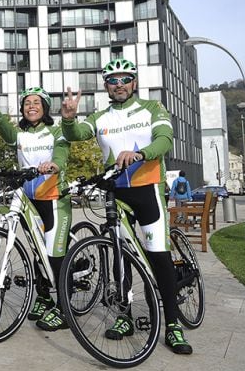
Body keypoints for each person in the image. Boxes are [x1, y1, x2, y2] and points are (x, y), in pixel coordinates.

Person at [60, 58, 193, 354]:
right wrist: (68, 118)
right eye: (112, 80)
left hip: (149, 189)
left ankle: (172, 325)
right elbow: (76, 135)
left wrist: (141, 154)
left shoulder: (152, 109)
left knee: (158, 255)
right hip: (116, 193)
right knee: (121, 258)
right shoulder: (100, 117)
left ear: (133, 83)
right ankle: (125, 316)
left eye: (124, 79)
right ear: (106, 86)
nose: (119, 85)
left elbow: (165, 139)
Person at [0, 85, 72, 331]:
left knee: (54, 256)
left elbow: (62, 153)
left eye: (36, 102)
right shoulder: (20, 135)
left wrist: (55, 164)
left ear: (44, 108)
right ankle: (44, 297)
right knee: (36, 252)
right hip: (29, 200)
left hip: (53, 198)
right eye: (27, 103)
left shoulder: (56, 131)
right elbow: (6, 132)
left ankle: (65, 310)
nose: (31, 106)